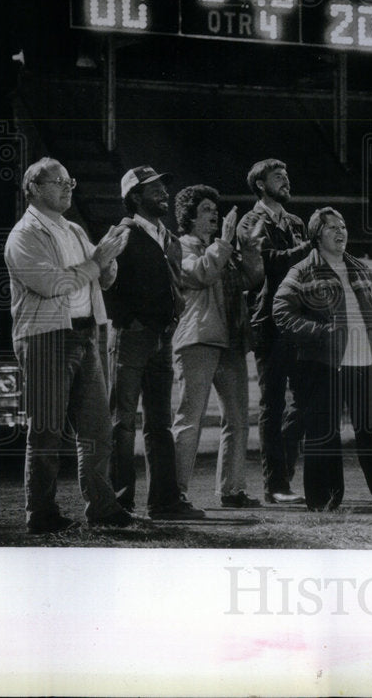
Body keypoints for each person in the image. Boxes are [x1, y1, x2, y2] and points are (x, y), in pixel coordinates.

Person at [4, 157, 134, 532]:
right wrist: (98, 262)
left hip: (86, 332)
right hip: (45, 337)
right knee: (45, 430)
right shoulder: (24, 235)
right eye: (58, 181)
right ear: (34, 188)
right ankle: (40, 513)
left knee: (96, 429)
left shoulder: (74, 229)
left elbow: (100, 279)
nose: (67, 187)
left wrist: (108, 264)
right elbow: (52, 285)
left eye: (69, 181)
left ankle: (103, 507)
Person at [272, 207, 372, 513]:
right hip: (323, 366)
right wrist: (320, 332)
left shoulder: (361, 268)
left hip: (367, 365)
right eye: (332, 228)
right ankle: (324, 502)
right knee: (324, 435)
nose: (341, 232)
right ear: (316, 235)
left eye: (343, 227)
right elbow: (281, 312)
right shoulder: (302, 271)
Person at [104, 166, 205, 520]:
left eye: (164, 185)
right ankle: (119, 502)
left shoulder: (170, 240)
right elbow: (106, 283)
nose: (163, 192)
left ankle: (164, 502)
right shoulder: (124, 233)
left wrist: (172, 320)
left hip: (162, 337)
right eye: (154, 188)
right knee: (123, 422)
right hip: (131, 336)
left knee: (159, 424)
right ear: (134, 197)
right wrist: (127, 320)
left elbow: (175, 288)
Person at [170, 185, 263, 508]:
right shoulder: (181, 246)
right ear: (190, 216)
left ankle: (232, 490)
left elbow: (251, 280)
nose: (215, 214)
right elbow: (201, 274)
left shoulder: (220, 249)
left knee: (238, 419)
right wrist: (225, 241)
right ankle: (174, 492)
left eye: (215, 208)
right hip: (198, 339)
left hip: (231, 341)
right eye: (207, 209)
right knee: (189, 418)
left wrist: (248, 248)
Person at [235, 158, 312, 503]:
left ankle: (284, 475)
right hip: (269, 320)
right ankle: (276, 485)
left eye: (286, 174)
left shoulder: (295, 222)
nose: (286, 179)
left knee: (306, 401)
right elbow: (270, 263)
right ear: (261, 184)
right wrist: (311, 247)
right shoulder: (251, 222)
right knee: (273, 403)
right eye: (277, 176)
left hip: (301, 322)